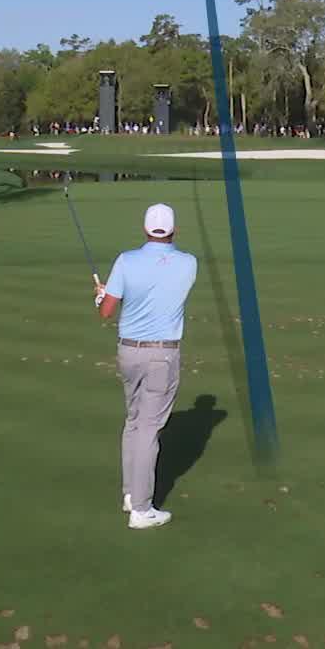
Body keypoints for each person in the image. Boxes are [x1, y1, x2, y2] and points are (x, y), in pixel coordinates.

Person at [96, 203, 198, 530]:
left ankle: (129, 494)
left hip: (129, 352)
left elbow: (107, 312)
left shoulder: (126, 260)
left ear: (144, 229)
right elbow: (161, 289)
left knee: (134, 421)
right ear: (173, 231)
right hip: (162, 355)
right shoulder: (188, 264)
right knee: (149, 430)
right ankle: (141, 509)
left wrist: (103, 296)